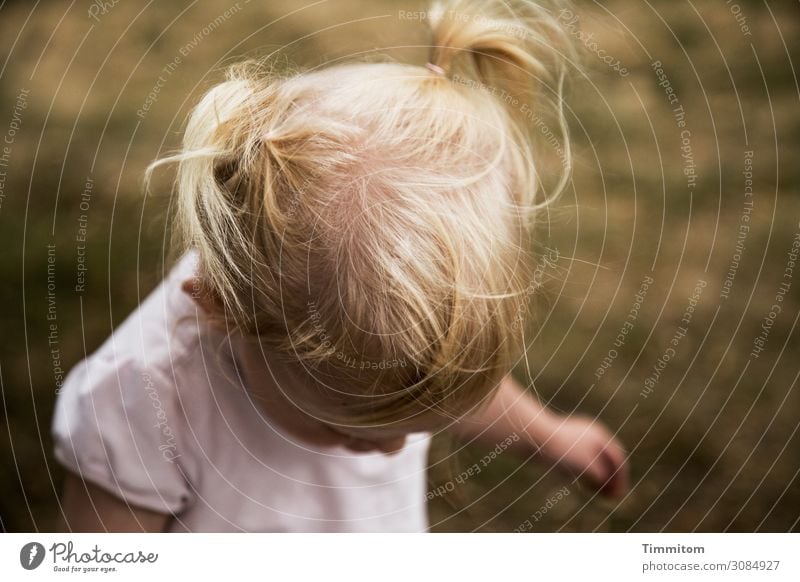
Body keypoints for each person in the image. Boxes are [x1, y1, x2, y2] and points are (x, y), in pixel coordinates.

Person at [53, 0, 628, 532]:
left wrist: (544, 433)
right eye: (348, 432)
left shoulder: (396, 371)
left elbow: (452, 397)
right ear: (226, 309)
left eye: (413, 427)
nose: (391, 452)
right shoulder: (145, 403)